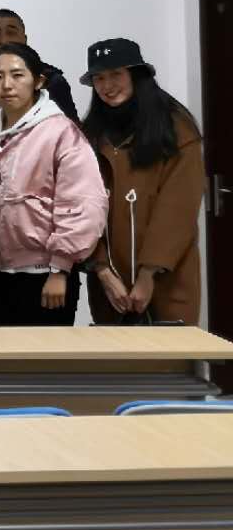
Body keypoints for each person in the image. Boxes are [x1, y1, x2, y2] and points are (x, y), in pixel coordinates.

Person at [0, 43, 107, 326]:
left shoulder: (61, 132)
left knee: (45, 355)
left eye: (17, 75)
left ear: (38, 81)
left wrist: (60, 269)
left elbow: (83, 202)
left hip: (46, 275)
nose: (7, 85)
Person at [80, 39, 204, 326]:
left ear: (136, 75)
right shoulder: (89, 135)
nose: (107, 86)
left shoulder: (176, 129)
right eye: (99, 78)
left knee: (170, 352)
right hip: (110, 285)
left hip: (167, 278)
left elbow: (178, 210)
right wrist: (102, 270)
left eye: (116, 74)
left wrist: (148, 274)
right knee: (115, 353)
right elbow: (81, 208)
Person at [0, 9, 79, 120]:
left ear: (24, 40)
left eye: (11, 33)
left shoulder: (52, 82)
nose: (3, 41)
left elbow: (71, 128)